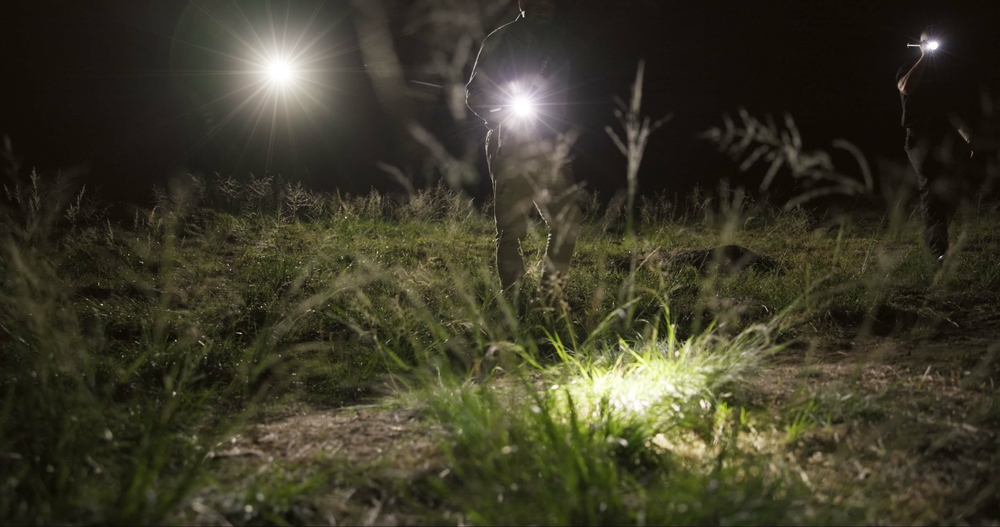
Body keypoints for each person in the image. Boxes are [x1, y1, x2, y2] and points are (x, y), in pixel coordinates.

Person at [466, 0, 582, 299]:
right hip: (512, 142)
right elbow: (474, 94)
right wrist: (505, 116)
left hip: (551, 145)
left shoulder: (559, 42)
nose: (545, 6)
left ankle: (551, 297)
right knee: (511, 230)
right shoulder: (501, 39)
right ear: (523, 3)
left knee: (567, 221)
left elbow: (565, 96)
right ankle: (515, 302)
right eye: (537, 0)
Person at [896, 24, 976, 261]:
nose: (931, 46)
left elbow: (950, 109)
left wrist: (968, 138)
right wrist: (923, 57)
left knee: (944, 192)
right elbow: (906, 87)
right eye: (926, 41)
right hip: (918, 137)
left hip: (942, 138)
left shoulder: (943, 76)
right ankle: (937, 252)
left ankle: (937, 241)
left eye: (934, 42)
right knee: (930, 189)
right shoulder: (908, 68)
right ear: (918, 44)